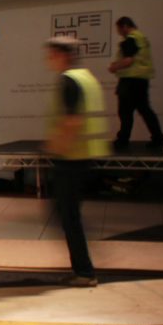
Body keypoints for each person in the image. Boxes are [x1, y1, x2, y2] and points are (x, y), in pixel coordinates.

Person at [43, 36, 111, 287]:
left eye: (51, 54)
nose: (48, 59)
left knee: (67, 215)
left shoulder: (68, 80)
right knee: (68, 214)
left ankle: (85, 271)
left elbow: (72, 121)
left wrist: (54, 147)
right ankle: (83, 266)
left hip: (70, 157)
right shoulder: (87, 77)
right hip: (85, 154)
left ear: (63, 55)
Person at [108, 16, 163, 150]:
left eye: (119, 29)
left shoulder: (131, 39)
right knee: (145, 110)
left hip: (129, 81)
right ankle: (158, 138)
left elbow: (128, 61)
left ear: (125, 26)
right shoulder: (142, 38)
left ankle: (122, 141)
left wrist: (114, 67)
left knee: (125, 112)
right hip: (141, 80)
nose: (118, 32)